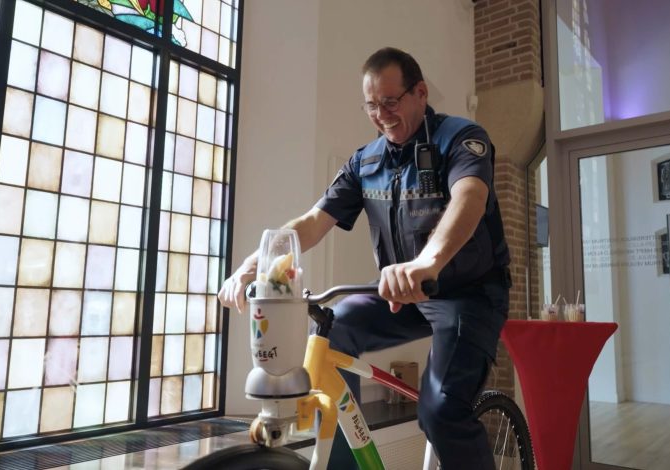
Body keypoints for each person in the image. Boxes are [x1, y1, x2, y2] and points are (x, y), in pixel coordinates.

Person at [218, 47, 510, 470]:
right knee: (330, 332)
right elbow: (314, 221)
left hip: (468, 295)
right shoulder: (366, 161)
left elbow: (470, 198)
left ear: (420, 93)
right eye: (371, 105)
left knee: (441, 410)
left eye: (390, 102)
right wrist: (254, 266)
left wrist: (426, 263)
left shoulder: (460, 138)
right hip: (399, 295)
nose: (381, 115)